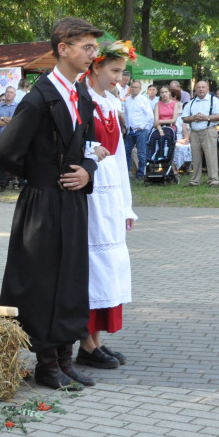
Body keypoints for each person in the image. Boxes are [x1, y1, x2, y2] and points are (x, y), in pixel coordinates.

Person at [0, 16, 102, 390]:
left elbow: (88, 147)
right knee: (44, 281)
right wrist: (41, 175)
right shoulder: (39, 98)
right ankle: (46, 363)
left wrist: (87, 170)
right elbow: (4, 151)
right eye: (87, 47)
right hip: (43, 203)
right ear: (63, 49)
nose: (94, 54)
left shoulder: (81, 94)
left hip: (72, 202)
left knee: (71, 278)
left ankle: (65, 358)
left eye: (94, 47)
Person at [75, 41, 137, 371]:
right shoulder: (81, 99)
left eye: (122, 72)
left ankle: (97, 341)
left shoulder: (110, 101)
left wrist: (127, 206)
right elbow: (72, 144)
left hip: (111, 188)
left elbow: (118, 156)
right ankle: (85, 342)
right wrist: (88, 150)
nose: (119, 78)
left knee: (110, 264)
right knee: (93, 264)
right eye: (114, 71)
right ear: (95, 67)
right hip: (91, 189)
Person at [184, 80, 219, 187]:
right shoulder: (191, 102)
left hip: (208, 131)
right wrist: (192, 118)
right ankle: (195, 181)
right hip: (194, 133)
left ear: (207, 89)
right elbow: (184, 118)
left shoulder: (214, 100)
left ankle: (214, 180)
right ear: (195, 89)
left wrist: (206, 117)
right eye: (199, 87)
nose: (201, 89)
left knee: (211, 156)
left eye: (203, 87)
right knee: (196, 157)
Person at [123, 79, 154, 179]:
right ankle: (126, 172)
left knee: (141, 152)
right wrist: (125, 126)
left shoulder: (143, 99)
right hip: (130, 129)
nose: (133, 89)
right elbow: (125, 115)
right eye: (132, 87)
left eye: (136, 87)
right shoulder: (127, 100)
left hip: (141, 130)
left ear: (140, 89)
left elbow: (150, 115)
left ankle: (141, 173)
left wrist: (142, 125)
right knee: (126, 151)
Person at [0, 86, 19, 190]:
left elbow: (17, 121)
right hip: (1, 137)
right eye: (7, 92)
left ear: (14, 95)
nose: (8, 94)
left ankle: (17, 183)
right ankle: (1, 185)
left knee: (15, 159)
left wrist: (2, 118)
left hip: (14, 137)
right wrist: (9, 120)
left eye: (11, 92)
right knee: (1, 159)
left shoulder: (18, 106)